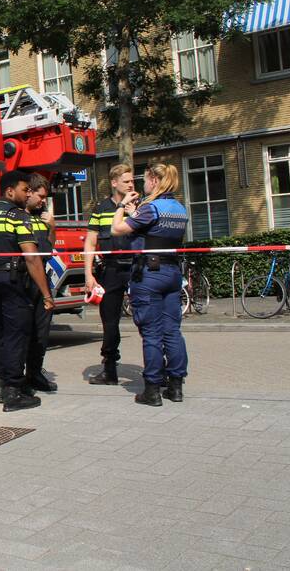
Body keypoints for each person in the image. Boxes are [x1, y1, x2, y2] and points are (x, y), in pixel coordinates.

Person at [0, 170, 55, 412]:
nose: (27, 193)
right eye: (24, 189)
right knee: (17, 335)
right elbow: (31, 258)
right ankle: (13, 392)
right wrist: (46, 295)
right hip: (13, 280)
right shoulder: (18, 216)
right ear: (10, 191)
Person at [111, 163, 189, 407]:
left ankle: (152, 390)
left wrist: (123, 206)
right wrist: (138, 211)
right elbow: (153, 232)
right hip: (173, 272)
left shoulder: (151, 208)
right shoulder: (179, 208)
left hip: (149, 274)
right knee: (172, 331)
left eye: (144, 179)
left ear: (154, 180)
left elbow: (117, 229)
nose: (141, 184)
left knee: (152, 333)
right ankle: (176, 386)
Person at [84, 163, 136, 385]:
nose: (131, 184)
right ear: (114, 183)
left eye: (132, 181)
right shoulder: (101, 208)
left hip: (136, 267)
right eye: (126, 181)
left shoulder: (141, 206)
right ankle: (110, 369)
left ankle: (157, 368)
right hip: (111, 269)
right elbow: (90, 241)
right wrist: (88, 274)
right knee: (110, 321)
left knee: (147, 320)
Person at [25, 174, 58, 393]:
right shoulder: (17, 217)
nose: (43, 201)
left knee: (42, 330)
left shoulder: (42, 217)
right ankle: (20, 378)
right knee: (24, 330)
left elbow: (50, 246)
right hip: (24, 279)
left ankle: (36, 373)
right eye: (40, 196)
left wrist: (52, 226)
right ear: (29, 191)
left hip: (42, 277)